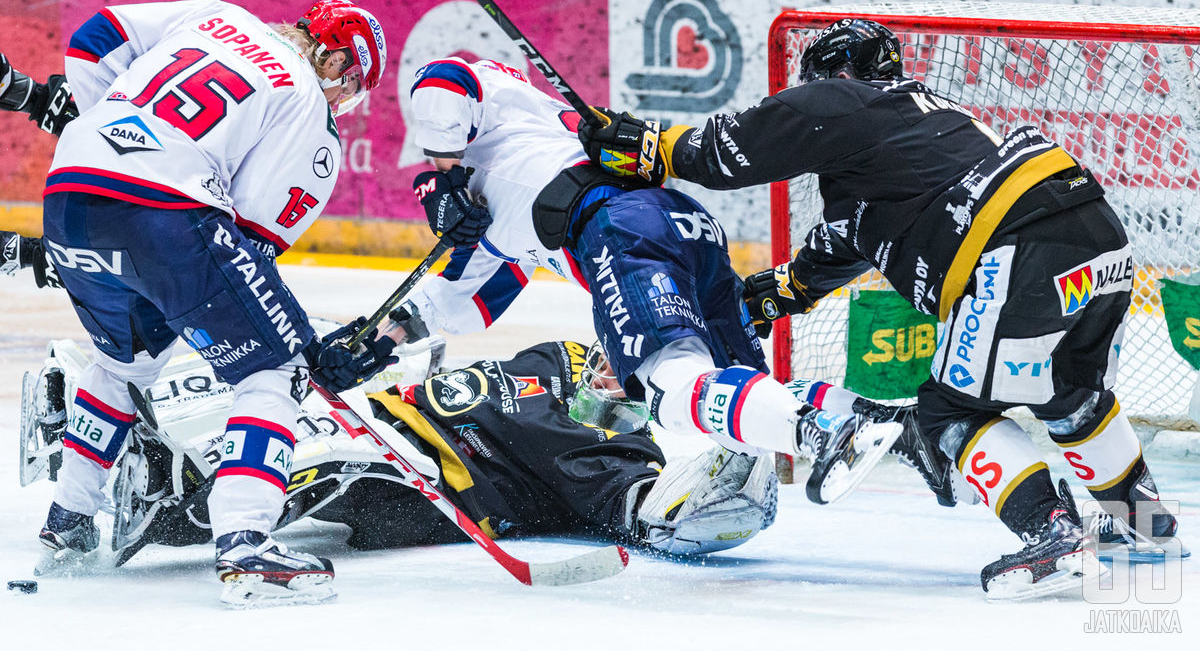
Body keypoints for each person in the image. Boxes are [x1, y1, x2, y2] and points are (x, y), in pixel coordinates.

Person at [577, 18, 1188, 599]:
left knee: (950, 413)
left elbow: (725, 152)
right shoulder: (916, 137)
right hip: (1095, 235)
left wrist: (650, 145)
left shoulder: (847, 100)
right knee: (1072, 398)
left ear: (835, 75)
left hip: (1017, 242)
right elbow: (838, 249)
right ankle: (1147, 527)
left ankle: (1054, 537)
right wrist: (765, 297)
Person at [337, 55, 945, 509]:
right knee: (742, 385)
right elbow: (458, 301)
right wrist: (371, 343)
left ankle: (829, 430)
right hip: (683, 223)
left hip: (620, 229)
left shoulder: (486, 138)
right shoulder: (500, 207)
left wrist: (442, 176)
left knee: (672, 390)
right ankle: (891, 426)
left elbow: (445, 78)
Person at [2, 0, 389, 606]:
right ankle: (245, 545)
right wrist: (304, 343)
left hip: (69, 191)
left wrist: (111, 130)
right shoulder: (310, 108)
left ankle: (68, 524)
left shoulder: (216, 16)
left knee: (123, 365)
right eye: (350, 87)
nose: (343, 101)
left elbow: (93, 37)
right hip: (164, 216)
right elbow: (251, 245)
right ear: (336, 57)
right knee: (275, 366)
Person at [18, 334, 779, 564]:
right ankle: (106, 423)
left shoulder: (624, 455)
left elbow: (654, 518)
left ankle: (164, 495)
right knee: (259, 388)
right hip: (385, 408)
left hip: (413, 481)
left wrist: (736, 480)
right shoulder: (563, 352)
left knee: (320, 470)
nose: (623, 360)